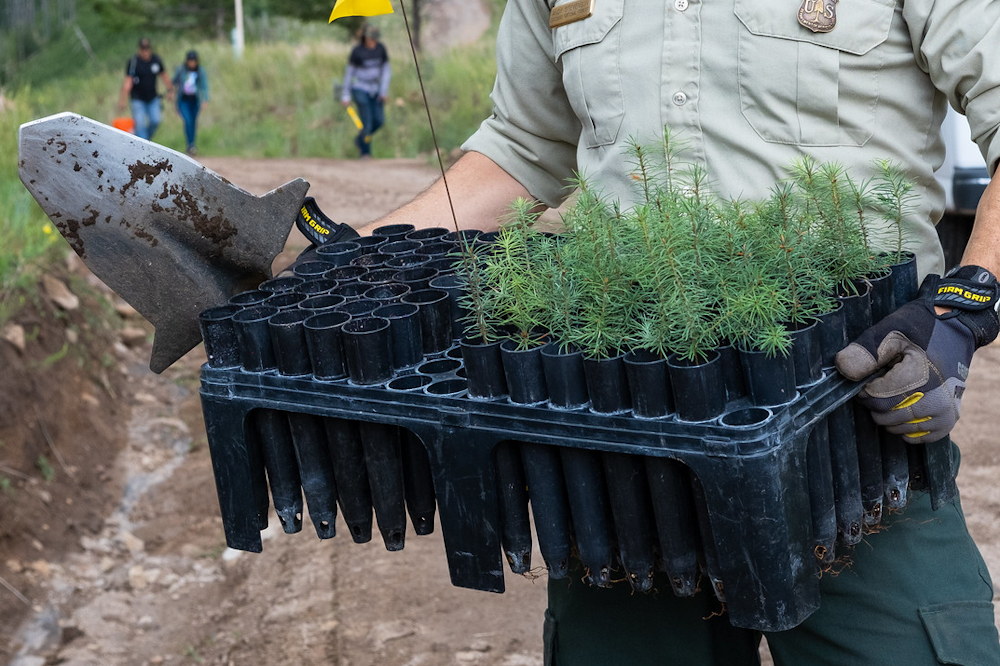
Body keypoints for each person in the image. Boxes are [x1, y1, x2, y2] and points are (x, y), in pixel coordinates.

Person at [343, 1, 1000, 664]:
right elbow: (522, 148)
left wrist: (965, 305)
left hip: (852, 420)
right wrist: (346, 258)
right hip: (621, 432)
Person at [340, 25, 391, 159]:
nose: (373, 42)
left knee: (379, 120)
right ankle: (365, 152)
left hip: (376, 89)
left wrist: (383, 91)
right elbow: (349, 74)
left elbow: (386, 71)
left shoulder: (381, 49)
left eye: (375, 39)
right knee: (366, 122)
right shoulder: (357, 51)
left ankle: (360, 139)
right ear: (365, 38)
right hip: (360, 88)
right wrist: (345, 94)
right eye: (370, 39)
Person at [118, 37, 173, 141]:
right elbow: (127, 83)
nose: (145, 51)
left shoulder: (156, 60)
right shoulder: (134, 62)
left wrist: (170, 90)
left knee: (156, 120)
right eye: (143, 49)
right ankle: (143, 146)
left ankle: (145, 141)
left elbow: (164, 75)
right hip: (137, 99)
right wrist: (123, 100)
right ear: (139, 49)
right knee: (140, 124)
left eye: (147, 48)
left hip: (153, 97)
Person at [173, 50, 209, 156]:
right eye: (190, 61)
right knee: (187, 120)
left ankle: (192, 144)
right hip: (183, 100)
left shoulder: (200, 71)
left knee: (193, 122)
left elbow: (204, 86)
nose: (192, 63)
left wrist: (205, 99)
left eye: (194, 61)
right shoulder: (181, 70)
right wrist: (171, 91)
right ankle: (190, 144)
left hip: (195, 100)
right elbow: (174, 82)